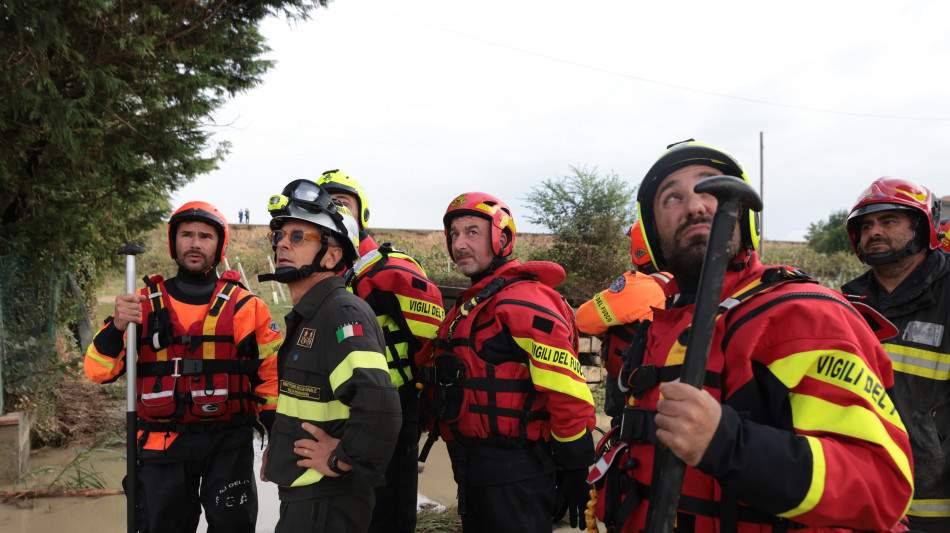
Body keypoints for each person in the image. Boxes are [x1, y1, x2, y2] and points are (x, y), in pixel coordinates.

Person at [593, 140, 913, 532]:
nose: (695, 205)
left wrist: (727, 443)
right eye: (672, 197)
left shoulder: (803, 316)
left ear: (744, 215)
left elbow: (881, 487)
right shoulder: (660, 323)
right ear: (651, 230)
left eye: (710, 189)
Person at [84, 201, 281, 532]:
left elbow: (271, 380)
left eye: (205, 236)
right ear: (173, 242)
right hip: (162, 446)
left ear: (220, 245)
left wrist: (276, 438)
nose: (195, 243)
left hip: (228, 446)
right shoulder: (140, 305)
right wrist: (117, 326)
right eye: (186, 234)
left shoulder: (249, 307)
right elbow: (97, 371)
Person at [416, 192, 596, 533]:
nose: (460, 244)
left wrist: (576, 467)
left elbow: (567, 391)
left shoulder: (524, 300)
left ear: (501, 237)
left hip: (517, 473)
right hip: (474, 469)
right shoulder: (471, 305)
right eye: (453, 234)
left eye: (472, 232)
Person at [257, 179, 400, 533]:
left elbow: (381, 405)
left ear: (333, 255)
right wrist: (280, 447)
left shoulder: (341, 314)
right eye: (280, 236)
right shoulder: (311, 313)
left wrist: (342, 458)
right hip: (307, 496)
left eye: (298, 236)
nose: (283, 245)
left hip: (328, 501)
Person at [316, 169, 445, 533]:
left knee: (388, 512)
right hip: (338, 407)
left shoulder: (392, 269)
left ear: (363, 215)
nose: (333, 211)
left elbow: (434, 339)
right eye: (325, 205)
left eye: (341, 203)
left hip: (391, 406)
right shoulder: (323, 273)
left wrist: (422, 399)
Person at [841, 177, 949, 531]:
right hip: (866, 501)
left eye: (889, 221)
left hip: (935, 509)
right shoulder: (846, 303)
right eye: (867, 225)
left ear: (922, 228)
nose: (874, 232)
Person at [575, 221, 669, 417]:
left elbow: (583, 319)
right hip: (668, 395)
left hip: (632, 395)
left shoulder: (642, 286)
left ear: (640, 251)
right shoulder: (684, 286)